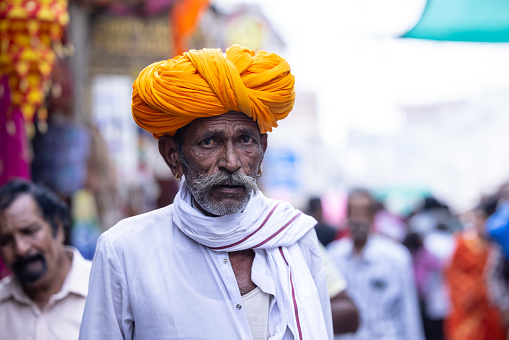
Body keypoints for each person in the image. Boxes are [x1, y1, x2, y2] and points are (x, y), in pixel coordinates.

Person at [79, 45, 333, 340]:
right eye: (209, 142)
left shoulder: (295, 237)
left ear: (262, 149)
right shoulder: (125, 250)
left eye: (245, 140)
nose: (231, 162)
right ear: (172, 154)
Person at [0, 179, 92, 339]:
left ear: (58, 226)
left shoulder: (103, 289)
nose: (21, 249)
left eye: (29, 231)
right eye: (6, 240)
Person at [328, 188, 424, 340]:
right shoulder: (333, 255)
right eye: (353, 212)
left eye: (363, 212)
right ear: (346, 216)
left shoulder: (396, 257)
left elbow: (408, 311)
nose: (358, 219)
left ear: (372, 216)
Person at [445, 197, 506, 340]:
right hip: (468, 306)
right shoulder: (462, 243)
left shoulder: (498, 245)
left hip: (493, 308)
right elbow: (452, 273)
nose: (478, 223)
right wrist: (470, 291)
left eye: (482, 219)